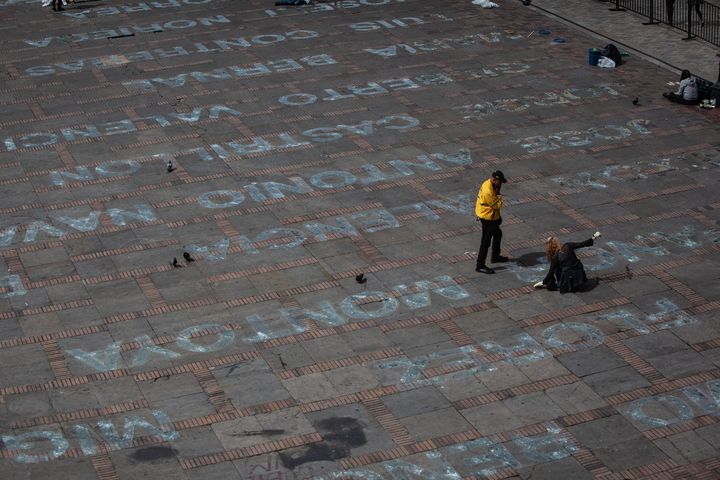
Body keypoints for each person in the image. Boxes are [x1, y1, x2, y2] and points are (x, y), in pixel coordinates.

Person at [533, 232, 602, 293]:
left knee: (553, 276)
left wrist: (543, 282)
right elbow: (583, 244)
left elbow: (551, 273)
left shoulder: (555, 257)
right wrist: (593, 237)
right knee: (563, 265)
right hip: (580, 277)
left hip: (569, 281)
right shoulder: (567, 245)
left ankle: (562, 286)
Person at [475, 170, 509, 274]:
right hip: (488, 218)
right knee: (485, 242)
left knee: (498, 234)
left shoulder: (489, 183)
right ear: (495, 180)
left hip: (490, 216)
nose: (501, 184)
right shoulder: (488, 191)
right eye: (500, 182)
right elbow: (497, 205)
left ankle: (495, 256)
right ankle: (480, 265)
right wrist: (499, 196)